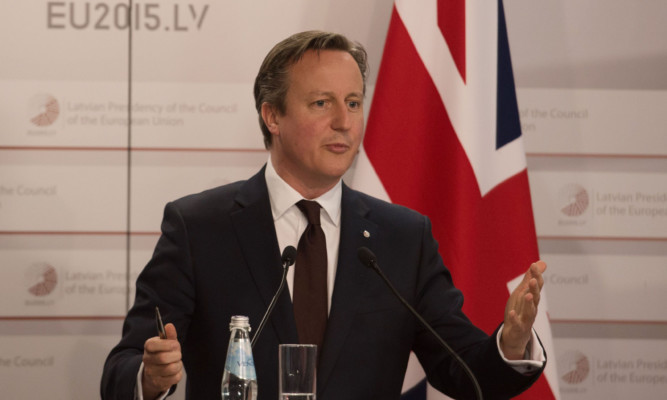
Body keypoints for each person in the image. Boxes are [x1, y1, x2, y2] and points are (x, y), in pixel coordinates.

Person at [101, 30, 546, 400]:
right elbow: (123, 367)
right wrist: (151, 376)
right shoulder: (199, 228)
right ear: (272, 115)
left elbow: (465, 371)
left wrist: (510, 342)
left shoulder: (402, 239)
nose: (344, 122)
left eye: (353, 103)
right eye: (322, 103)